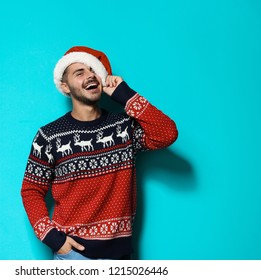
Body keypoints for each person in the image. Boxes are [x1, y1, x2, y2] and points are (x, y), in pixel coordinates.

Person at [21, 46, 178, 260]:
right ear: (65, 86)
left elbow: (166, 133)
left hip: (120, 255)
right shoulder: (49, 136)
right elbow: (31, 190)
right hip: (72, 256)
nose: (90, 76)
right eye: (80, 72)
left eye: (93, 70)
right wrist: (53, 239)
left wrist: (126, 94)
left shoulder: (124, 128)